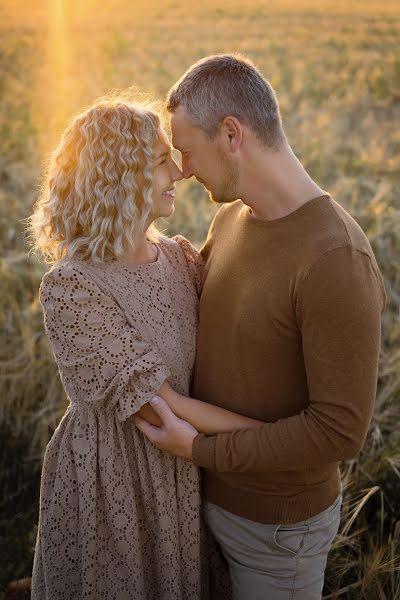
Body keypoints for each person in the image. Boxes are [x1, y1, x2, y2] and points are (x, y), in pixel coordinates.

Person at [133, 55, 387, 599]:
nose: (182, 169)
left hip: (277, 534)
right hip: (202, 501)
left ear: (231, 135)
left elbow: (339, 432)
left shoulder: (335, 258)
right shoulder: (231, 218)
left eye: (187, 149)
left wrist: (200, 450)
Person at [28, 92, 265, 600]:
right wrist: (279, 439)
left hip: (184, 466)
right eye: (161, 162)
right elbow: (165, 409)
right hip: (112, 482)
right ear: (121, 178)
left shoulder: (181, 259)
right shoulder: (72, 285)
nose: (179, 173)